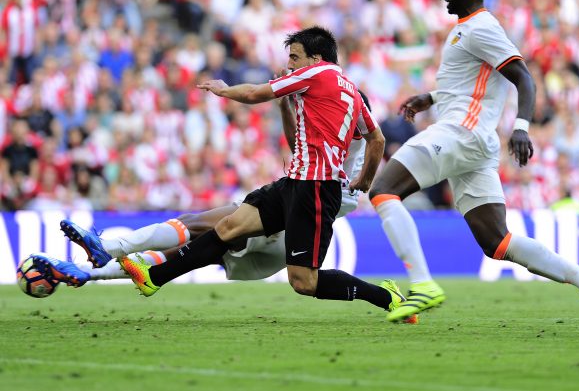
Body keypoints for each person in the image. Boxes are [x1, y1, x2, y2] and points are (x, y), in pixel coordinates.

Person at [51, 27, 408, 316]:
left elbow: (254, 93)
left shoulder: (317, 76)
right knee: (225, 226)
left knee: (303, 282)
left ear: (316, 58)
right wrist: (365, 180)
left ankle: (384, 296)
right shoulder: (348, 91)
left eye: (295, 58)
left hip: (318, 191)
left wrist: (224, 90)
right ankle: (147, 275)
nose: (290, 65)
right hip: (295, 183)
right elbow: (371, 138)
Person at [368, 0, 579, 333]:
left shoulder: (481, 26)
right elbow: (478, 80)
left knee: (384, 190)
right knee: (496, 242)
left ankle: (421, 284)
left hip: (460, 134)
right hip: (474, 142)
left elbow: (523, 78)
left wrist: (521, 126)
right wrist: (432, 97)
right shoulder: (466, 29)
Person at [33, 92, 374, 290]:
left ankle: (106, 247)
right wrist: (286, 107)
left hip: (280, 233)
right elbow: (300, 147)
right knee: (185, 248)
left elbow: (312, 164)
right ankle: (89, 271)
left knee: (195, 225)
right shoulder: (341, 152)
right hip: (278, 246)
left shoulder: (347, 157)